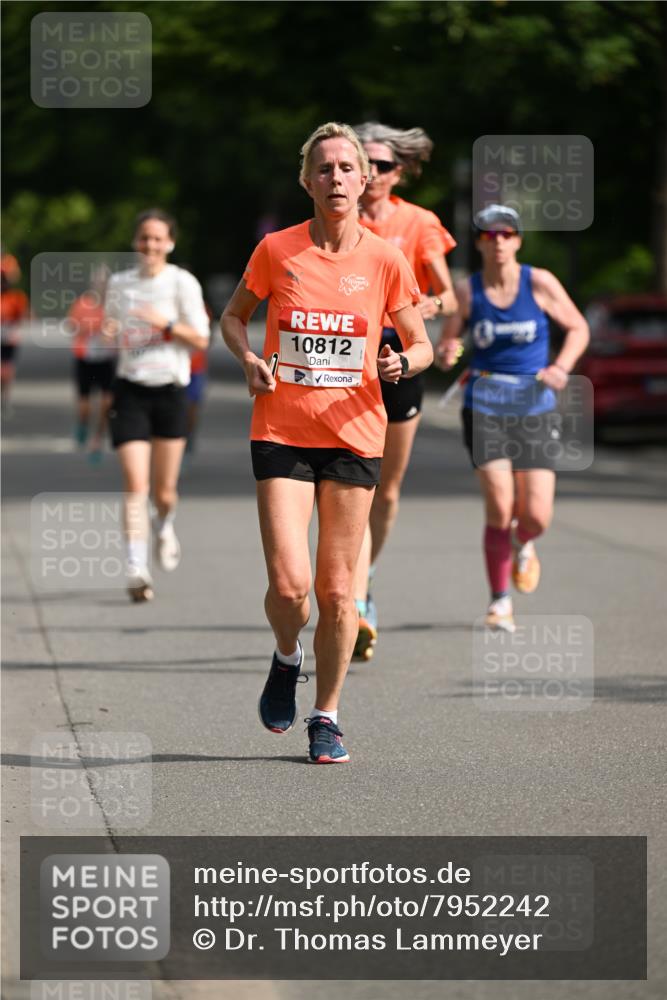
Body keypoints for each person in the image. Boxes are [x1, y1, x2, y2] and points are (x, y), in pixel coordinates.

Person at [221, 122, 432, 763]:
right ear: (307, 181)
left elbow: (420, 343)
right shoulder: (276, 250)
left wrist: (405, 364)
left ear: (363, 181)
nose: (337, 177)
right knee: (292, 589)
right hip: (282, 428)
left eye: (348, 168)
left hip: (354, 434)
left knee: (339, 591)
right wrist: (248, 358)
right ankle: (288, 657)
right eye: (325, 168)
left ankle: (327, 715)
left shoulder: (385, 259)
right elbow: (233, 317)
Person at [436, 204, 589, 632]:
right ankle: (500, 601)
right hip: (484, 406)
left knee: (536, 515)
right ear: (481, 242)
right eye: (489, 235)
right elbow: (448, 346)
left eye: (506, 234)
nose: (498, 241)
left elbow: (578, 328)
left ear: (518, 240)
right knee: (501, 506)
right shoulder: (469, 292)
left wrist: (562, 366)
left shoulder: (538, 283)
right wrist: (450, 352)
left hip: (535, 407)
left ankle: (524, 544)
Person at [351, 122, 457, 659]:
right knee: (352, 485)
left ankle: (363, 580)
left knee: (385, 491)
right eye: (364, 163)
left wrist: (417, 313)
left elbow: (448, 297)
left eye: (384, 166)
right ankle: (352, 593)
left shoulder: (418, 223)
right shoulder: (338, 218)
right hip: (346, 363)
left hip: (399, 361)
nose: (373, 175)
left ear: (401, 171)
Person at [104, 209, 210, 602]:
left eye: (157, 239)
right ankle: (136, 566)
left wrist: (163, 324)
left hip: (170, 390)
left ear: (170, 243)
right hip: (130, 389)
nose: (150, 245)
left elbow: (201, 339)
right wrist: (110, 330)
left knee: (164, 492)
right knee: (135, 484)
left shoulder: (182, 283)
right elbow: (111, 326)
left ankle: (164, 525)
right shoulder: (119, 284)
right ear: (135, 242)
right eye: (143, 238)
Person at [67, 267, 116, 461]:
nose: (102, 286)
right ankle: (82, 425)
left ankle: (97, 440)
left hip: (107, 360)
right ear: (93, 284)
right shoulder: (82, 304)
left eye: (105, 282)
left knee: (107, 403)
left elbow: (122, 328)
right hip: (85, 359)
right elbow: (72, 326)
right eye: (98, 282)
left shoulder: (114, 306)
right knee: (84, 405)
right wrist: (91, 327)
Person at [1, 253, 30, 413]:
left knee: (6, 370)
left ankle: (5, 397)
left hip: (8, 335)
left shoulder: (15, 297)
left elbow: (21, 317)